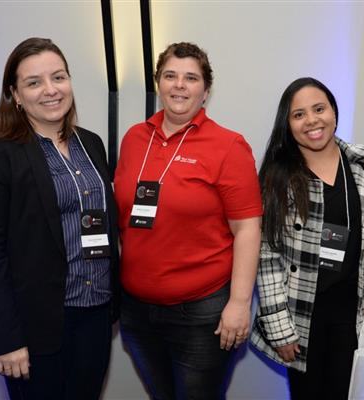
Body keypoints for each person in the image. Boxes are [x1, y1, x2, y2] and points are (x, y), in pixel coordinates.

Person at [0, 37, 119, 400]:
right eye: (34, 83)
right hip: (33, 325)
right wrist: (7, 336)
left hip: (95, 315)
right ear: (15, 95)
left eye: (59, 77)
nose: (51, 90)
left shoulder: (91, 143)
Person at [114, 42, 263, 399]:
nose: (179, 85)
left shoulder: (228, 146)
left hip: (201, 315)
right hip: (136, 310)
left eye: (191, 78)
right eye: (170, 76)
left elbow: (247, 229)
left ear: (206, 90)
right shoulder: (134, 138)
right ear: (158, 83)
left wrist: (240, 304)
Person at [250, 77, 364, 399]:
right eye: (299, 114)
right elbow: (266, 256)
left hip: (356, 310)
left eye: (319, 109)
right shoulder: (277, 176)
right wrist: (279, 327)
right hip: (302, 316)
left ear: (333, 110)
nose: (312, 121)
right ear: (288, 124)